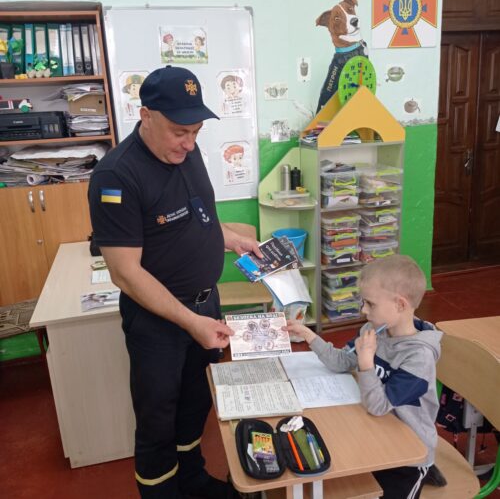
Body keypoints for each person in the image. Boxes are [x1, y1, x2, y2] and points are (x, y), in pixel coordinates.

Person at [88, 65, 262, 499]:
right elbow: (125, 272)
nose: (189, 142)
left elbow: (200, 218)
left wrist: (233, 239)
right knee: (158, 421)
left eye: (196, 132)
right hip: (159, 323)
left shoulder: (186, 152)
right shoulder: (116, 176)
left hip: (205, 307)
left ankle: (193, 482)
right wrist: (190, 321)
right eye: (180, 132)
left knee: (195, 404)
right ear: (146, 115)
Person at [285, 255, 442, 499]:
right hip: (376, 433)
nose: (363, 310)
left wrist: (367, 364)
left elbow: (378, 405)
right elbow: (341, 361)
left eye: (370, 304)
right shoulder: (374, 330)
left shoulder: (419, 357)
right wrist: (309, 335)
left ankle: (427, 471)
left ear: (400, 305)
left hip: (409, 455)